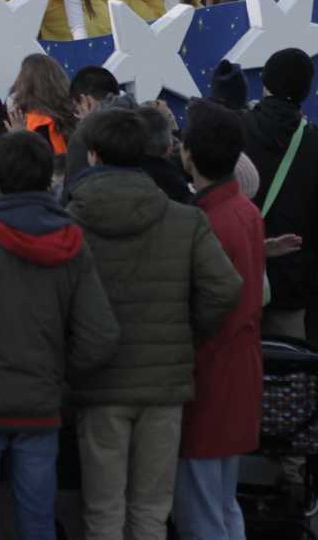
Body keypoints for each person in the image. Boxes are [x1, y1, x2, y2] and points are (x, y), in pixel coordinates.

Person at [0, 129, 118, 539]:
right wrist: (62, 375)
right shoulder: (73, 244)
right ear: (49, 177)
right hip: (40, 404)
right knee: (36, 523)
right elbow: (99, 334)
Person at [64, 109, 242, 540]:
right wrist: (187, 330)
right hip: (164, 383)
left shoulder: (70, 222)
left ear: (92, 156)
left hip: (99, 383)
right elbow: (225, 288)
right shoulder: (185, 218)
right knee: (150, 511)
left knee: (102, 511)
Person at [172, 101, 265, 540]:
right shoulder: (243, 212)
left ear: (189, 152)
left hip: (208, 376)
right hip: (239, 372)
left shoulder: (207, 221)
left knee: (200, 512)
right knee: (224, 505)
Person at [239, 49, 318, 349]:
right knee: (284, 374)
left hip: (238, 271)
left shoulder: (236, 129)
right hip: (294, 278)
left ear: (265, 83)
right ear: (307, 90)